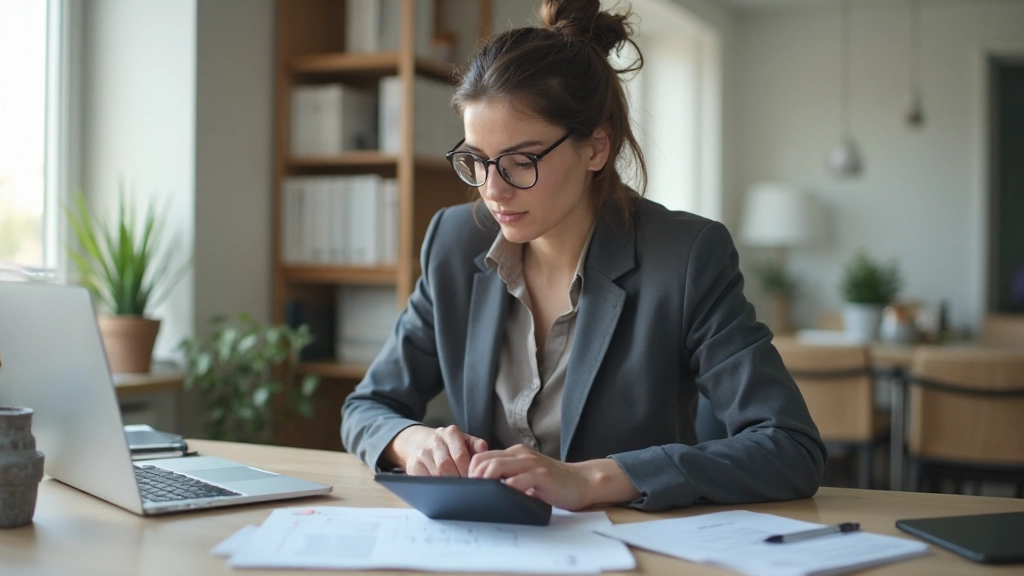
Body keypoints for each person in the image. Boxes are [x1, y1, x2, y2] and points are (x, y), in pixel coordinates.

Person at [342, 0, 826, 512]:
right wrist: (413, 441)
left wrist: (594, 479)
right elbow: (367, 406)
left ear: (596, 148)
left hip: (632, 542)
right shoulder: (454, 242)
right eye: (477, 160)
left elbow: (789, 447)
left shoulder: (685, 258)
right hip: (486, 538)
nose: (492, 190)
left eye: (520, 161)